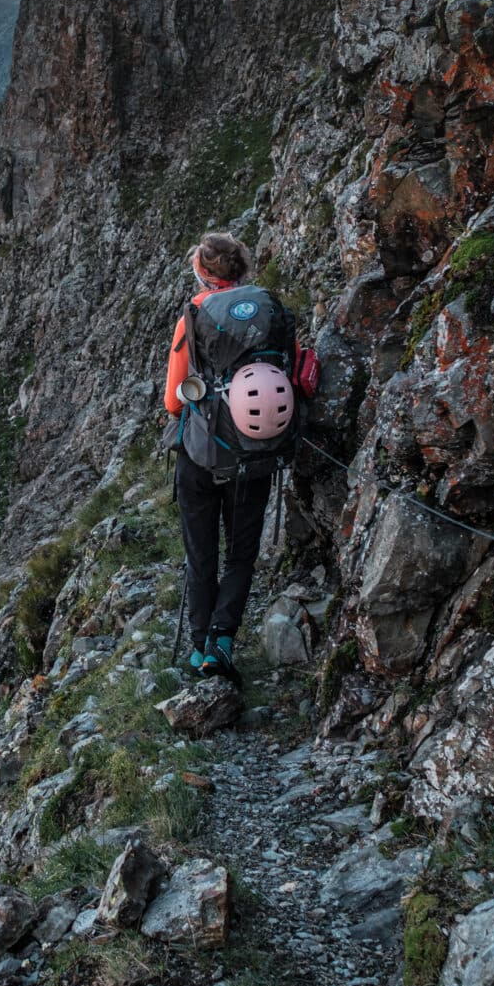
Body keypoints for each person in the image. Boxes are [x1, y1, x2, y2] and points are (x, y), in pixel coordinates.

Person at [164, 230, 278, 681]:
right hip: (256, 452)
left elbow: (175, 402)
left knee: (201, 551)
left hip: (201, 452)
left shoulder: (193, 316)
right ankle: (222, 641)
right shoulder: (270, 311)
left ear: (205, 273)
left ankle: (198, 649)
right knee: (241, 553)